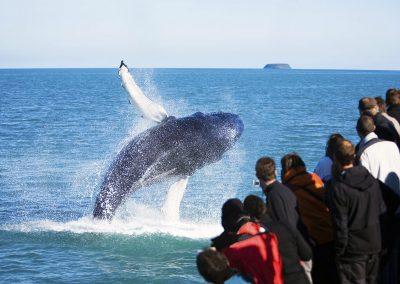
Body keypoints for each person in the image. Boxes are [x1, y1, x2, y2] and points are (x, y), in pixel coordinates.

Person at [329, 139, 385, 284]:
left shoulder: (339, 188)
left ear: (336, 158)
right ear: (354, 156)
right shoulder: (371, 181)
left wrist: (339, 250)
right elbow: (382, 209)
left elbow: (340, 224)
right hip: (374, 242)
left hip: (353, 249)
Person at [281, 153, 336, 284]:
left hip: (311, 243)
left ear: (285, 170)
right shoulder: (315, 178)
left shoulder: (288, 190)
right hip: (331, 237)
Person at [244, 195, 312, 284]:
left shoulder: (250, 237)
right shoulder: (285, 225)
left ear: (248, 215)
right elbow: (306, 254)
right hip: (298, 278)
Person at [255, 157, 308, 238]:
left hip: (291, 245)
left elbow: (284, 227)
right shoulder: (284, 189)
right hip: (302, 238)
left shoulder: (273, 196)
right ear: (275, 173)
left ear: (257, 176)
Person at [355, 115, 400, 198]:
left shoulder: (363, 153)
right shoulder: (393, 145)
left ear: (357, 131)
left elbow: (364, 184)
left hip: (379, 203)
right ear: (374, 127)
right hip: (397, 197)